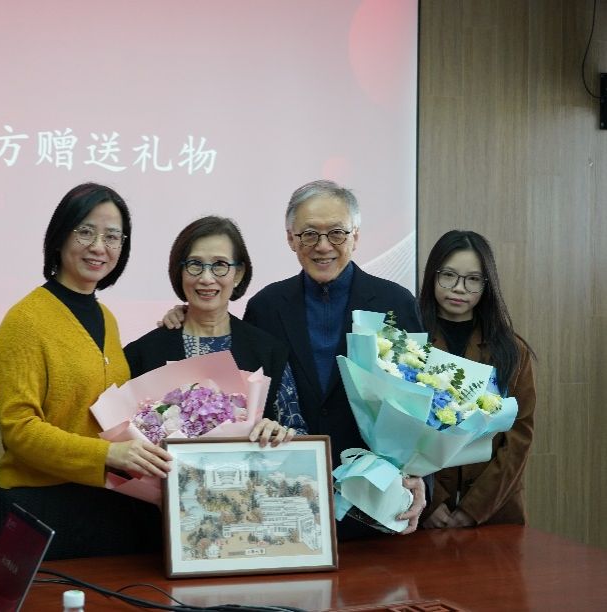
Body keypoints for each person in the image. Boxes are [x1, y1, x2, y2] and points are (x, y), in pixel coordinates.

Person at [162, 180, 426, 537]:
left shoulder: (396, 302)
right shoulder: (267, 306)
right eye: (309, 234)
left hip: (375, 499)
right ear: (291, 239)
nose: (323, 246)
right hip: (286, 501)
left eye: (336, 233)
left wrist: (419, 476)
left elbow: (420, 403)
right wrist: (186, 316)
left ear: (356, 236)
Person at [0, 182, 172, 560]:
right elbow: (19, 430)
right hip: (39, 507)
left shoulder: (107, 318)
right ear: (60, 237)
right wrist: (107, 455)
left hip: (104, 503)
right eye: (86, 231)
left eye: (112, 236)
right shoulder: (25, 320)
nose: (99, 246)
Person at [125, 215, 307, 445]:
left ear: (238, 273)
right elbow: (123, 441)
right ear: (180, 271)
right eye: (195, 264)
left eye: (220, 265)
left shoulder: (268, 352)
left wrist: (278, 433)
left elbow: (299, 434)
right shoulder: (142, 353)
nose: (206, 278)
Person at [419, 230, 536, 528]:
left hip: (493, 510)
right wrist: (432, 500)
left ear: (487, 284)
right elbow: (396, 433)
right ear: (432, 275)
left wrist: (473, 509)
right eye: (448, 275)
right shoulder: (409, 343)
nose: (459, 288)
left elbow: (519, 435)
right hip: (422, 509)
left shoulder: (511, 350)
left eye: (473, 279)